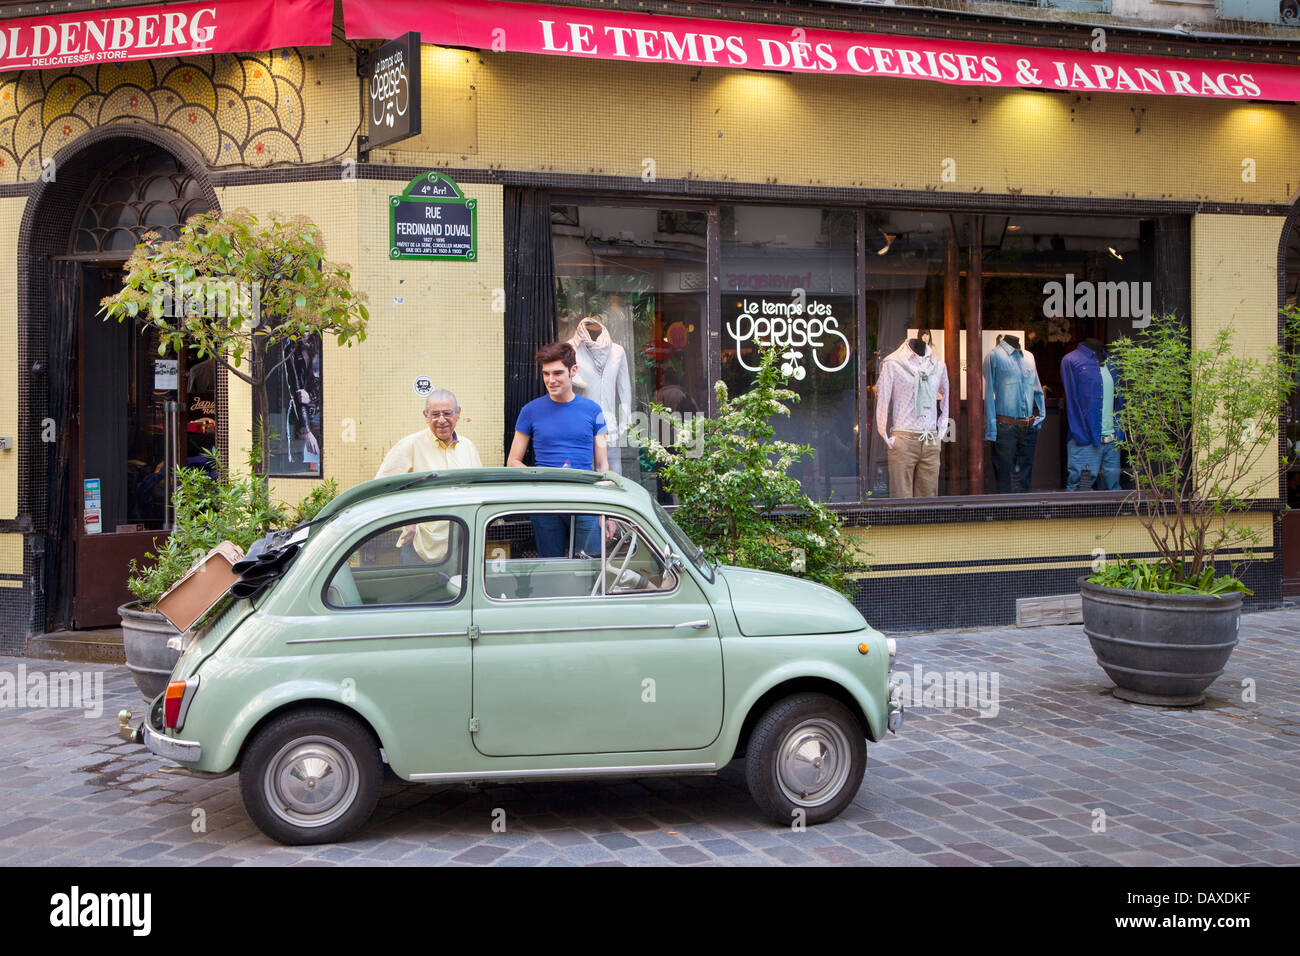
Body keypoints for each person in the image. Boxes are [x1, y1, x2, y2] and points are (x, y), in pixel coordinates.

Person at [508, 341, 609, 556]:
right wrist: (542, 479)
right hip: (546, 502)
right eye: (546, 374)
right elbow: (513, 461)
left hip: (587, 501)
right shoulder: (530, 411)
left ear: (573, 371)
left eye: (557, 373)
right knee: (551, 567)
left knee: (590, 567)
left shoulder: (593, 411)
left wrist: (607, 511)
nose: (550, 380)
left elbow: (602, 465)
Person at [375, 389, 482, 561]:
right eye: (435, 414)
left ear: (458, 413)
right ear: (426, 415)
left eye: (447, 413)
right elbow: (380, 489)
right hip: (419, 548)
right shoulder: (410, 445)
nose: (441, 420)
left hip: (461, 546)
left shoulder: (468, 448)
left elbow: (478, 492)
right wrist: (406, 521)